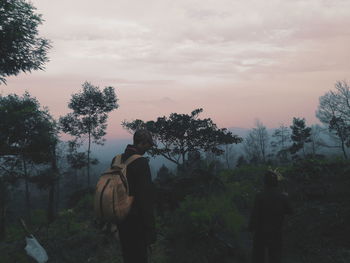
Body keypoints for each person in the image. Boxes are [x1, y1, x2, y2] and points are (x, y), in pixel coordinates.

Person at [112, 129, 156, 263]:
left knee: (127, 255)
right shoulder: (141, 163)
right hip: (136, 221)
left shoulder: (117, 159)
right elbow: (145, 200)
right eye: (148, 144)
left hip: (120, 217)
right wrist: (150, 230)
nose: (149, 148)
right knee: (139, 257)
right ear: (142, 143)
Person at [248, 170, 293, 263]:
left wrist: (250, 228)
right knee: (275, 257)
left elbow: (255, 215)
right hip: (276, 232)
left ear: (265, 182)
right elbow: (290, 211)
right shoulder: (282, 197)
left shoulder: (259, 196)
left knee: (258, 257)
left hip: (261, 232)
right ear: (276, 182)